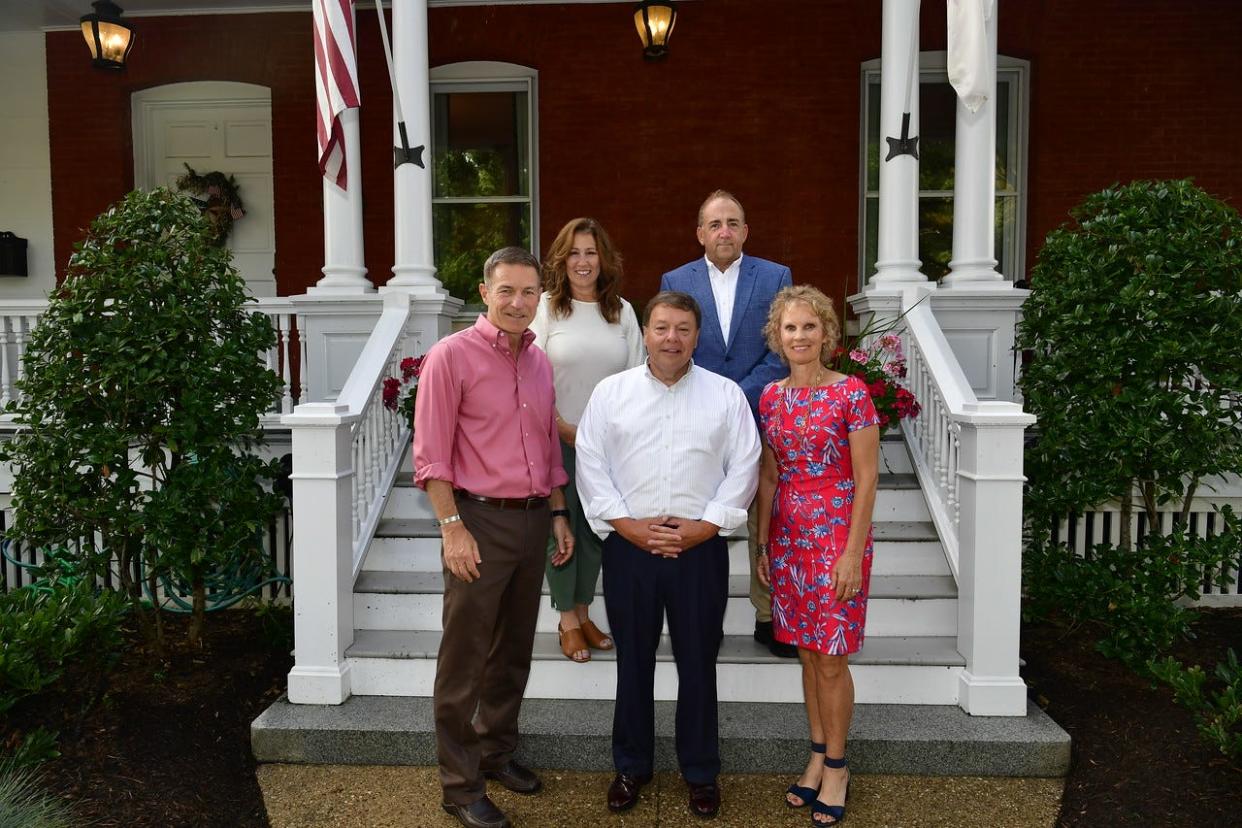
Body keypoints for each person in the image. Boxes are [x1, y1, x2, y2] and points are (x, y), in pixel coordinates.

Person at [575, 291, 760, 819]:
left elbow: (744, 466)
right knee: (633, 663)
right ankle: (631, 767)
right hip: (630, 551)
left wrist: (707, 527)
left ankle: (700, 772)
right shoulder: (612, 394)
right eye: (661, 328)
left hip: (699, 552)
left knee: (698, 664)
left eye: (682, 328)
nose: (671, 338)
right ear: (646, 333)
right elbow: (590, 461)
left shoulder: (725, 396)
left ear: (697, 336)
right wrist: (627, 527)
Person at [413, 247, 576, 828]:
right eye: (506, 291)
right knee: (465, 659)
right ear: (485, 293)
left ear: (541, 299)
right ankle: (458, 787)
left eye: (529, 293)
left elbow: (547, 447)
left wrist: (558, 513)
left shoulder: (538, 361)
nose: (517, 302)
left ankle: (495, 753)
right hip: (477, 522)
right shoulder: (449, 357)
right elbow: (431, 458)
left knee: (511, 652)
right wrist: (452, 527)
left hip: (533, 520)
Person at [755, 285, 880, 827]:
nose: (800, 336)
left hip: (837, 536)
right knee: (807, 655)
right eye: (790, 328)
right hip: (788, 536)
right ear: (777, 338)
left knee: (831, 658)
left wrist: (852, 553)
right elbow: (768, 474)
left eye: (809, 326)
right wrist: (762, 543)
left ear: (827, 333)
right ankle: (815, 751)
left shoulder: (853, 393)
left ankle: (838, 765)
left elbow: (869, 478)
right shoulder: (770, 397)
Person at [660, 189, 796, 659]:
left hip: (759, 414)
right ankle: (701, 618)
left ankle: (768, 615)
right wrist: (710, 398)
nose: (724, 231)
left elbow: (782, 346)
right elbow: (673, 344)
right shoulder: (676, 279)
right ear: (700, 232)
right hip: (696, 419)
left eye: (733, 223)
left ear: (745, 231)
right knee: (702, 512)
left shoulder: (775, 276)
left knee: (764, 514)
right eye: (715, 224)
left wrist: (736, 394)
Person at [530, 218, 644, 664]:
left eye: (591, 252)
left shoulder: (623, 311)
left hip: (609, 443)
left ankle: (584, 610)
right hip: (553, 435)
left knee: (597, 530)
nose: (583, 261)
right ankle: (566, 619)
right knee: (561, 527)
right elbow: (531, 376)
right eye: (574, 252)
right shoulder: (545, 309)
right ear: (562, 259)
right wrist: (559, 425)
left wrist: (612, 435)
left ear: (604, 259)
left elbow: (638, 376)